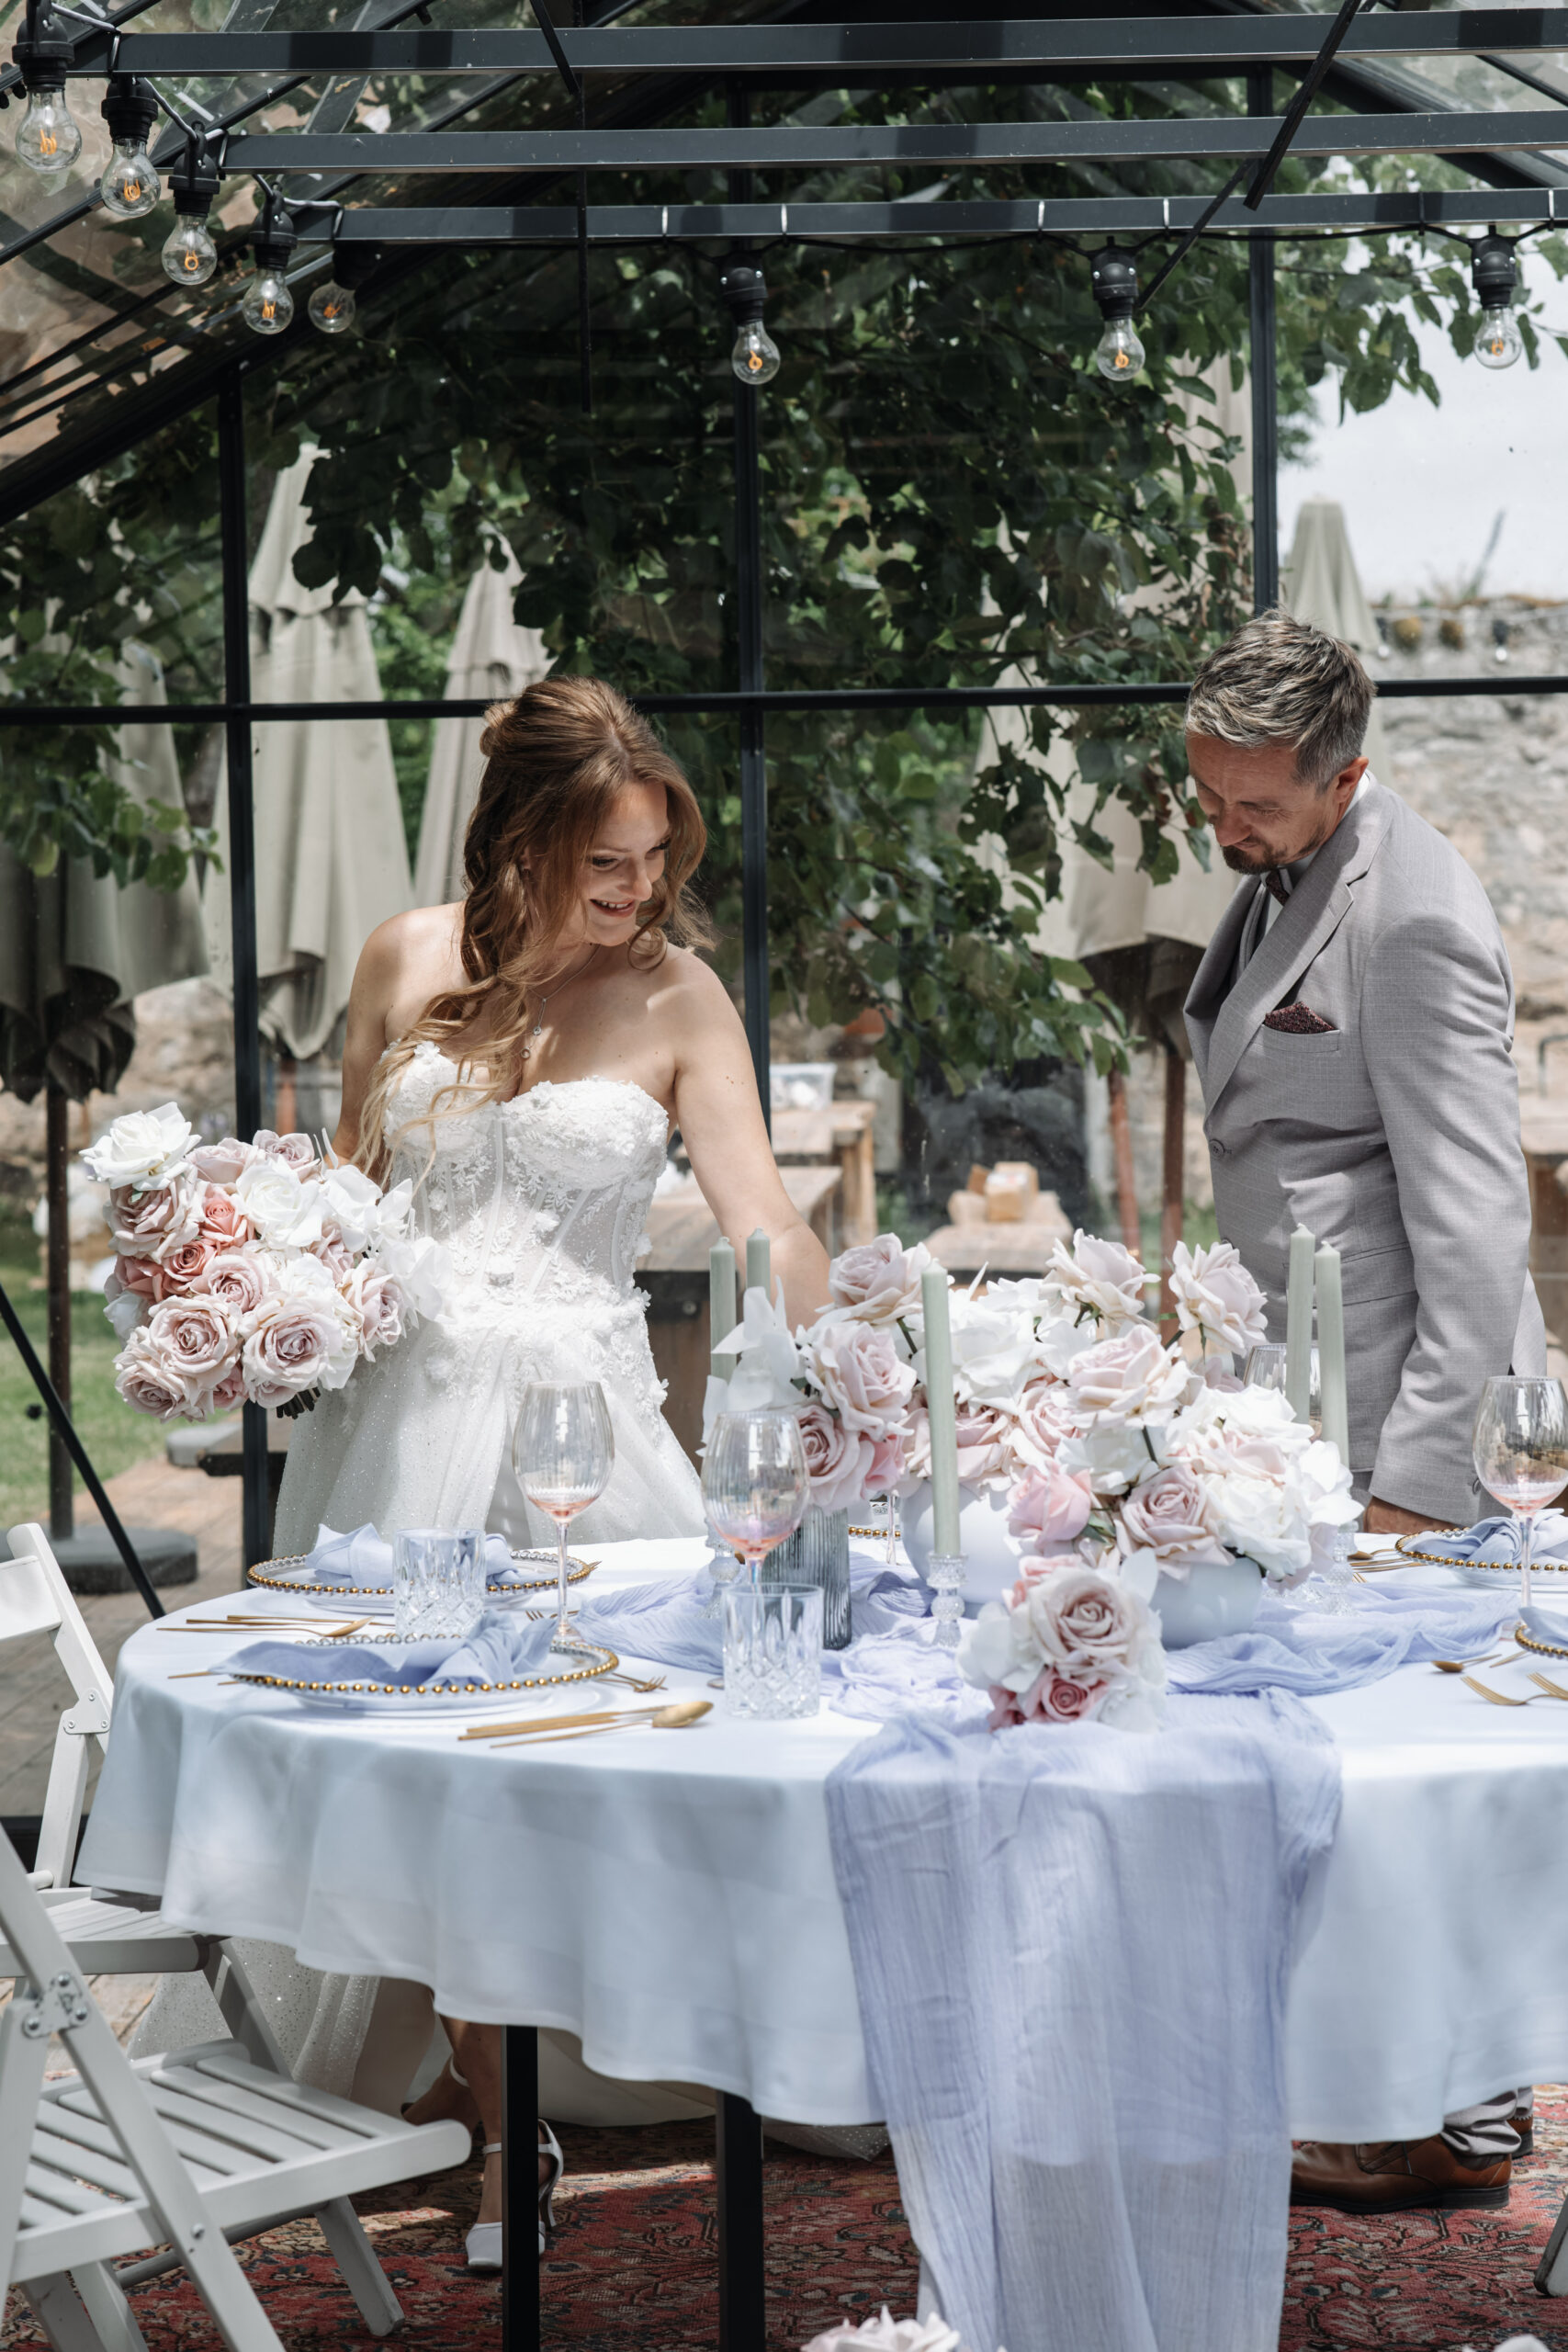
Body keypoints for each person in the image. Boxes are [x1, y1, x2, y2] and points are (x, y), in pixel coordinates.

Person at [137, 676, 831, 2267]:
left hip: (575, 1433)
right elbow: (342, 1200)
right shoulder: (401, 954)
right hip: (393, 1431)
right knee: (414, 1758)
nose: (636, 891)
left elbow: (761, 1222)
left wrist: (861, 1342)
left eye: (654, 858)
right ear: (518, 838)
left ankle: (537, 2075)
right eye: (605, 861)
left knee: (584, 1752)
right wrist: (255, 1286)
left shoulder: (677, 999)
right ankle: (483, 2105)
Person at [1182, 607, 1544, 2213]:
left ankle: (1450, 2122)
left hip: (1399, 1420)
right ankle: (1409, 2095)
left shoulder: (1418, 918)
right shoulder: (1280, 875)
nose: (1224, 825)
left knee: (1397, 1781)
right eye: (1210, 792)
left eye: (1252, 805)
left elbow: (1476, 1232)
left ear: (1344, 779)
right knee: (1327, 1770)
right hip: (1296, 1412)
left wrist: (1421, 1492)